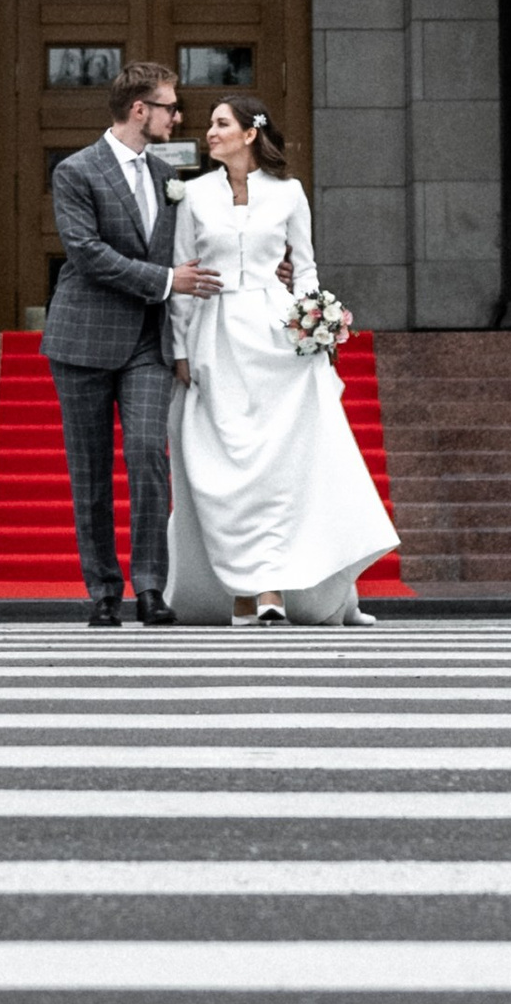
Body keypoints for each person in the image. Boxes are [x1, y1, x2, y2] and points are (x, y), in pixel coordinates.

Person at [165, 91, 398, 625]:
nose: (210, 132)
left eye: (221, 124)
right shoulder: (195, 196)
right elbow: (184, 275)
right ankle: (241, 591)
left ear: (250, 134)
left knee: (285, 467)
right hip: (216, 335)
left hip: (277, 336)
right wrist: (180, 348)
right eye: (210, 125)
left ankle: (277, 593)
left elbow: (307, 268)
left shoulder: (289, 193)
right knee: (224, 469)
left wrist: (314, 322)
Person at [39, 56, 221, 628]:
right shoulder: (76, 171)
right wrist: (167, 281)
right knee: (89, 468)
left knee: (148, 454)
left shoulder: (171, 174)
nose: (179, 115)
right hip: (84, 338)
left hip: (148, 339)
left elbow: (197, 237)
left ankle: (149, 587)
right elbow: (86, 253)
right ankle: (102, 590)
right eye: (170, 106)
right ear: (140, 110)